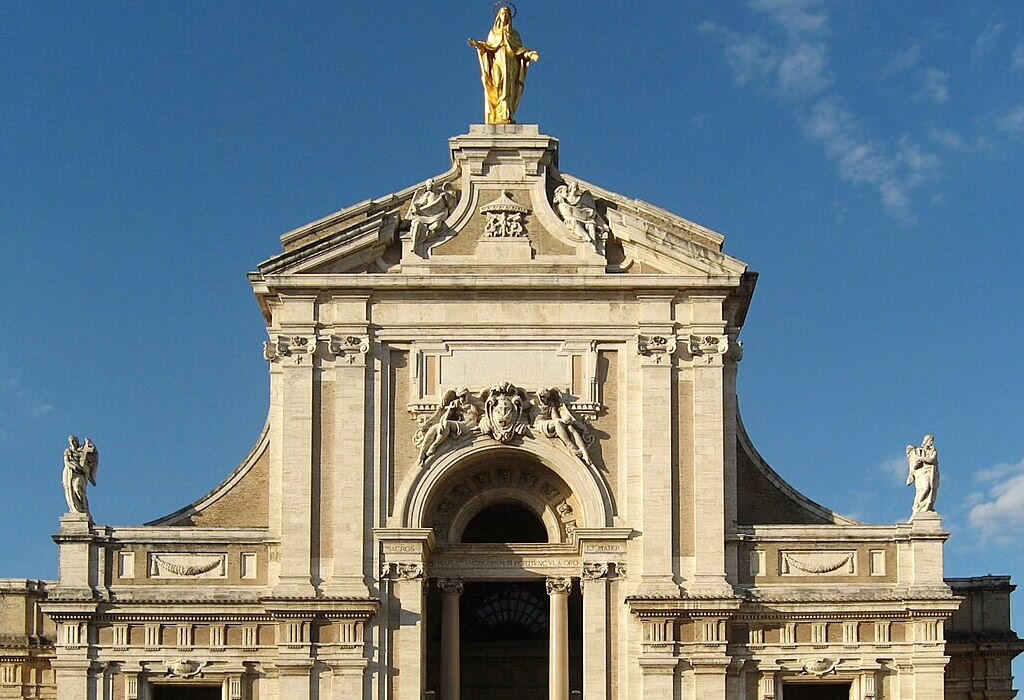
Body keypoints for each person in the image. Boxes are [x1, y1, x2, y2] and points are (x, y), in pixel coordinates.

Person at [469, 6, 539, 124]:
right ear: (499, 17)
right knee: (498, 84)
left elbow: (519, 50)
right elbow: (489, 47)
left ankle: (506, 113)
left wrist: (530, 54)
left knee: (509, 88)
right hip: (498, 63)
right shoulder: (493, 33)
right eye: (503, 14)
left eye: (507, 14)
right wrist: (480, 46)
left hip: (511, 65)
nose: (505, 16)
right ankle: (497, 113)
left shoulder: (514, 34)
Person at [63, 435, 98, 514]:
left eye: (74, 441)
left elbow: (92, 455)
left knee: (77, 488)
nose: (73, 443)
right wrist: (75, 467)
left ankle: (83, 508)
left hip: (81, 473)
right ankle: (75, 509)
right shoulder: (68, 451)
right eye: (71, 441)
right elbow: (67, 462)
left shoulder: (82, 450)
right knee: (70, 491)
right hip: (70, 472)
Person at [906, 434, 939, 517]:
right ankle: (918, 508)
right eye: (930, 441)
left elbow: (932, 459)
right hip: (922, 474)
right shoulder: (919, 451)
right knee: (925, 488)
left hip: (931, 473)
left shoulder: (933, 450)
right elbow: (914, 463)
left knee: (930, 489)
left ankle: (927, 507)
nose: (931, 442)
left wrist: (921, 459)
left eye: (932, 441)